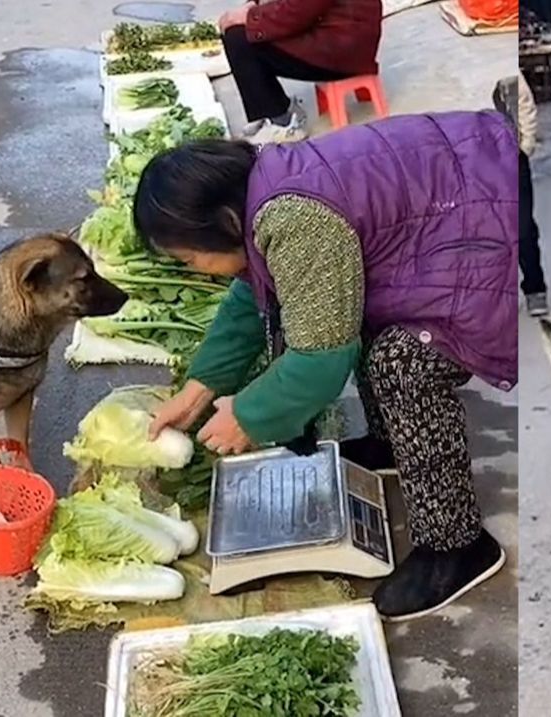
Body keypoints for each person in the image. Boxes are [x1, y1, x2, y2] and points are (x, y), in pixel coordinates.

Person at [133, 111, 518, 621]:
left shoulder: (293, 219)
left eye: (189, 259)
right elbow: (253, 300)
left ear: (223, 223)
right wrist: (198, 391)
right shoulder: (262, 196)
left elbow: (320, 358)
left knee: (403, 365)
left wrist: (248, 415)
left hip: (485, 239)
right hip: (455, 207)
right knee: (350, 315)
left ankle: (456, 546)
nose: (194, 270)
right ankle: (394, 444)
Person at [216, 0, 383, 143]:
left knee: (238, 37)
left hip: (341, 46)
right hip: (329, 30)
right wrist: (254, 5)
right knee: (240, 29)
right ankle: (278, 110)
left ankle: (281, 124)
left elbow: (299, 11)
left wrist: (251, 17)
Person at [495, 73, 549, 317]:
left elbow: (522, 99)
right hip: (471, 157)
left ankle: (534, 288)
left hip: (512, 156)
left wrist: (525, 146)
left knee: (523, 225)